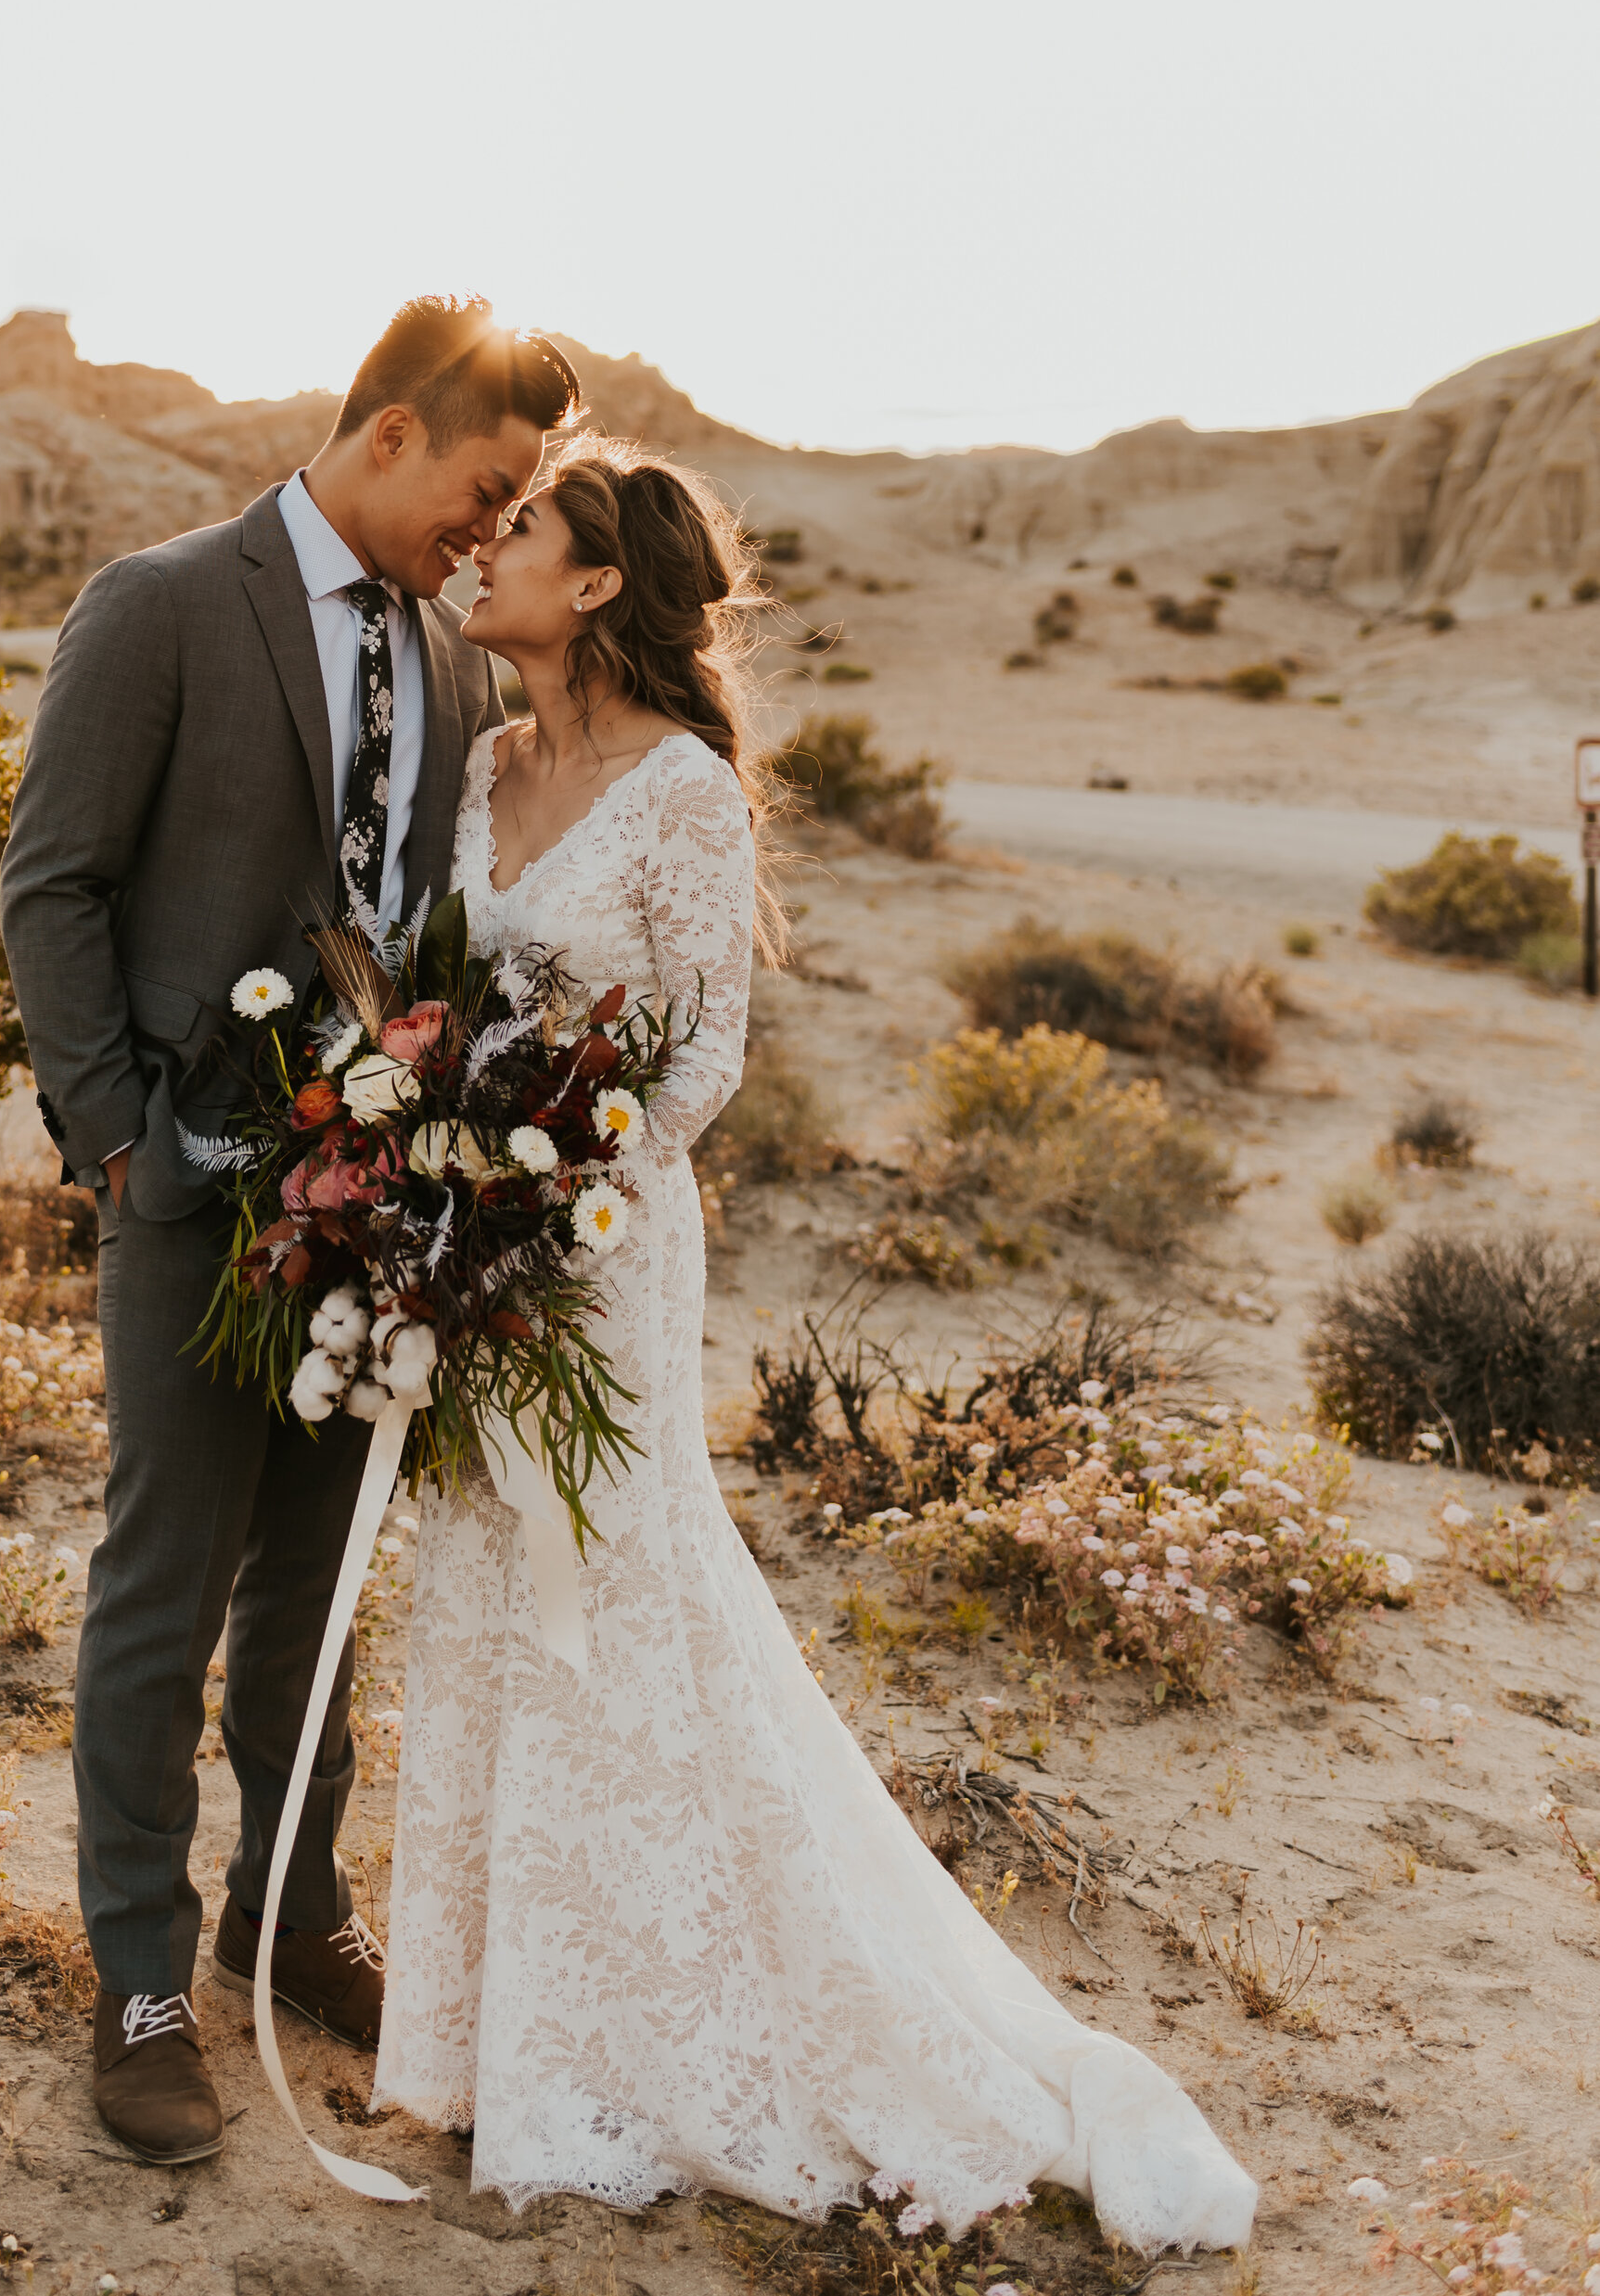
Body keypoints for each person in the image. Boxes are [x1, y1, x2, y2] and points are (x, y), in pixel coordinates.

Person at [373, 439, 1258, 2261]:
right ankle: (488, 2036)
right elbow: (457, 996)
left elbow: (701, 1059)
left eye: (519, 527)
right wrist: (429, 1144)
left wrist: (553, 1175)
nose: (486, 548)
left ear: (597, 582)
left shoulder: (685, 790)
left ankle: (636, 2044)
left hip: (600, 1254)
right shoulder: (482, 760)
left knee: (607, 1609)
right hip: (474, 1246)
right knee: (484, 1600)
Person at [0, 296, 581, 2165]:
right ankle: (145, 1979)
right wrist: (113, 1143)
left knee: (317, 1589)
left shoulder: (447, 653)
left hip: (376, 1205)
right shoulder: (161, 601)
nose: (487, 539)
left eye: (517, 516)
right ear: (391, 432)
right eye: (483, 492)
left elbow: (420, 916)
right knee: (163, 1584)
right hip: (185, 1185)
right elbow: (54, 879)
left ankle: (291, 1900)